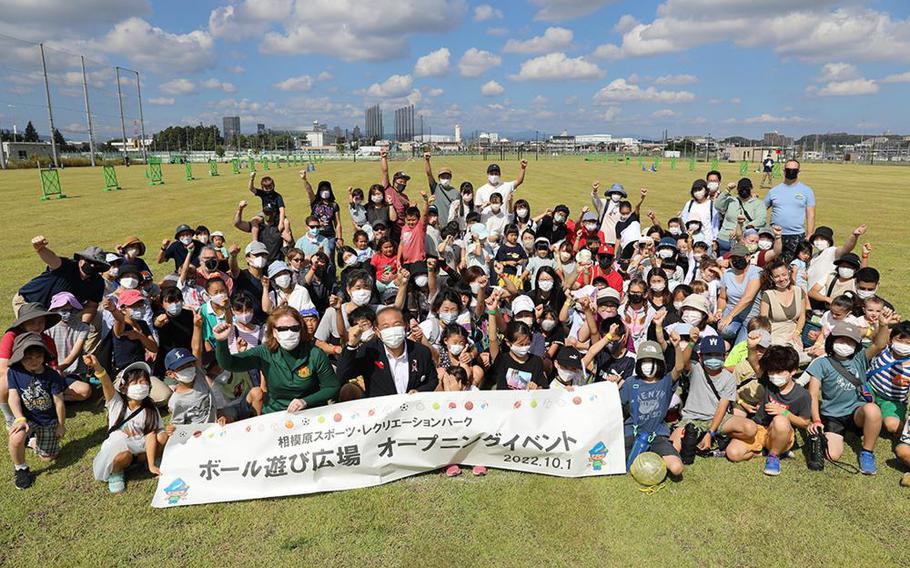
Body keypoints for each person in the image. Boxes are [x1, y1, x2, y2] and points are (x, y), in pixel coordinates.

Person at [806, 320, 896, 475]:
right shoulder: (821, 363)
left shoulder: (860, 358)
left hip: (856, 412)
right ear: (832, 340)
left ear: (856, 345)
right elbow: (813, 394)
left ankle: (867, 453)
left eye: (850, 341)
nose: (845, 344)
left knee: (873, 410)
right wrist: (816, 420)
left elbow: (879, 345)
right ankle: (830, 435)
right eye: (841, 339)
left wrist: (882, 325)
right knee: (831, 455)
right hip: (833, 415)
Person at [214, 306, 338, 413]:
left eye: (294, 328)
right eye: (282, 329)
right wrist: (221, 342)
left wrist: (305, 401)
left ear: (301, 329)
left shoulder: (315, 354)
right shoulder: (264, 352)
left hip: (310, 411)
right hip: (276, 414)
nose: (289, 333)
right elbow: (230, 364)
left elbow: (332, 387)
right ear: (273, 331)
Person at [725, 344, 812, 476]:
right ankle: (765, 451)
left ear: (793, 371)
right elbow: (754, 362)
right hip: (760, 429)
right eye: (771, 371)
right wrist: (752, 347)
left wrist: (783, 412)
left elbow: (805, 423)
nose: (774, 376)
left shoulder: (802, 395)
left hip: (781, 434)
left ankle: (774, 456)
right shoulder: (768, 381)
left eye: (780, 372)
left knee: (780, 421)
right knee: (733, 453)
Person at [89, 356, 166, 493]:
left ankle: (150, 461)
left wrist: (151, 464)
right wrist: (98, 367)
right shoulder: (116, 403)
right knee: (124, 456)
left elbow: (150, 435)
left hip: (141, 449)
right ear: (124, 387)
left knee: (162, 437)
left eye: (143, 382)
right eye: (135, 382)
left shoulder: (150, 409)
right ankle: (116, 473)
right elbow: (106, 383)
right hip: (122, 450)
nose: (140, 386)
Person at [6, 333, 66, 489]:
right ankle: (21, 468)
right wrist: (19, 418)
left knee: (48, 457)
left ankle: (32, 442)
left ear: (44, 356)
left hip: (48, 421)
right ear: (19, 357)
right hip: (26, 418)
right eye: (28, 358)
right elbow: (13, 397)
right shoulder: (14, 371)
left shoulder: (52, 375)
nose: (33, 361)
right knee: (15, 438)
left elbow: (59, 402)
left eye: (38, 356)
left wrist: (61, 425)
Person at [336, 306, 438, 398]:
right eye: (386, 327)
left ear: (405, 326)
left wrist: (419, 391)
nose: (392, 330)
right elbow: (343, 376)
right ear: (377, 331)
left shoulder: (420, 351)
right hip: (381, 413)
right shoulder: (369, 351)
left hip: (412, 411)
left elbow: (432, 379)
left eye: (396, 324)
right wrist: (351, 345)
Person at [620, 339, 686, 477]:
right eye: (644, 361)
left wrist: (677, 346)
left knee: (676, 468)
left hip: (657, 434)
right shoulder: (631, 382)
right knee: (613, 461)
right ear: (639, 363)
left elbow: (679, 368)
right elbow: (617, 407)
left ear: (659, 363)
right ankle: (641, 452)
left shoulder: (665, 381)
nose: (648, 365)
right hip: (632, 432)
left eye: (652, 360)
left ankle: (651, 454)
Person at [16, 239, 107, 326]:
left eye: (96, 264)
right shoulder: (67, 266)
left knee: (97, 320)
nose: (92, 265)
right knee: (35, 329)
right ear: (80, 259)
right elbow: (52, 259)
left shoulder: (98, 282)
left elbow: (91, 306)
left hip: (63, 310)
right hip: (30, 301)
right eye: (89, 261)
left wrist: (84, 325)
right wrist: (40, 248)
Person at [764, 159, 815, 263]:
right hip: (775, 235)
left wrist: (809, 234)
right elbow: (761, 209)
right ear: (784, 171)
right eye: (788, 169)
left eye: (794, 170)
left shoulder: (807, 191)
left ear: (799, 172)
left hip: (797, 236)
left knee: (795, 266)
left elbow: (811, 214)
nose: (791, 171)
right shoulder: (774, 191)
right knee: (773, 265)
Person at [866, 321, 910, 438]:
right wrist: (883, 325)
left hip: (893, 401)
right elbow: (876, 338)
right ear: (891, 340)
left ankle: (902, 425)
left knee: (892, 426)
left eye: (908, 343)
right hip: (870, 388)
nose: (903, 345)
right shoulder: (884, 349)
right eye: (899, 340)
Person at [45, 292, 92, 401]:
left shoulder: (83, 327)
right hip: (49, 372)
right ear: (54, 310)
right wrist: (52, 371)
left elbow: (74, 353)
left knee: (85, 391)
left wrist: (60, 369)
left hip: (71, 373)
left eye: (72, 310)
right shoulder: (48, 328)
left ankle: (53, 398)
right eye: (64, 310)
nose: (68, 313)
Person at [758, 260, 808, 361]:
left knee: (797, 358)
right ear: (772, 278)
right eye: (777, 276)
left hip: (793, 332)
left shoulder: (799, 291)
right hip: (775, 332)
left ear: (789, 273)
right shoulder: (768, 295)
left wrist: (797, 333)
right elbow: (763, 321)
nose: (781, 279)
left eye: (784, 275)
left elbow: (802, 316)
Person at [163, 348, 225, 426]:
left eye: (189, 365)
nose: (187, 369)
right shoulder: (176, 401)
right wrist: (171, 429)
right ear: (170, 374)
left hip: (216, 426)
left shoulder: (199, 375)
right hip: (199, 434)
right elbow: (177, 426)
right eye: (181, 368)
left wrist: (220, 415)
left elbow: (197, 348)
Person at [717, 243, 762, 344]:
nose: (736, 260)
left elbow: (748, 298)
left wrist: (730, 316)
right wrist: (719, 310)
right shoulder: (727, 274)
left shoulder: (757, 272)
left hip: (751, 316)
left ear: (748, 257)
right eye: (733, 258)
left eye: (739, 257)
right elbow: (722, 298)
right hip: (731, 311)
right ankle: (731, 338)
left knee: (740, 346)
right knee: (723, 329)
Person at [716, 178, 767, 254]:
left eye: (746, 188)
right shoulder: (731, 200)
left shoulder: (758, 203)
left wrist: (740, 229)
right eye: (741, 189)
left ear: (751, 189)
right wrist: (727, 190)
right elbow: (718, 206)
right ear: (737, 190)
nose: (744, 191)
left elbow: (760, 220)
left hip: (744, 241)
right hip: (724, 239)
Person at [380, 149, 411, 240]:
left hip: (400, 230)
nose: (402, 183)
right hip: (388, 229)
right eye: (400, 181)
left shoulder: (405, 197)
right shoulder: (387, 188)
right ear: (394, 181)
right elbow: (385, 172)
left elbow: (408, 215)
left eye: (404, 182)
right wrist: (383, 157)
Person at [423, 153, 460, 224]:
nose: (445, 179)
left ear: (450, 178)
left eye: (447, 177)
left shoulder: (456, 193)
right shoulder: (436, 188)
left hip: (449, 225)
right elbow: (429, 174)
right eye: (443, 177)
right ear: (439, 178)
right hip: (437, 224)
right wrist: (427, 160)